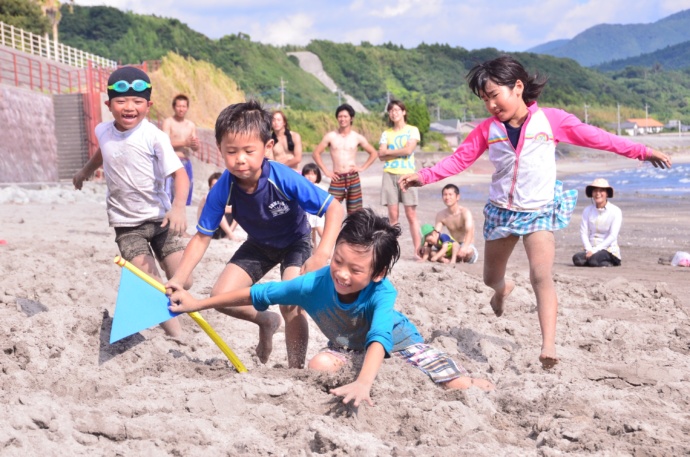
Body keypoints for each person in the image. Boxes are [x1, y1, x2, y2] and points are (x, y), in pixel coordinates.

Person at [398, 56, 672, 369]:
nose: (490, 105)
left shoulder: (552, 121)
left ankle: (548, 346)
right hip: (502, 211)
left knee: (541, 276)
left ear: (517, 87)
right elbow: (458, 160)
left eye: (494, 96)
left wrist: (643, 151)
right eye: (484, 99)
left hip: (540, 210)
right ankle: (503, 291)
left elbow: (599, 138)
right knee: (490, 278)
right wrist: (425, 175)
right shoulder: (487, 129)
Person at [168, 209, 494, 406]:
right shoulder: (317, 282)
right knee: (319, 364)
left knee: (456, 385)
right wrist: (200, 302)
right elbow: (260, 294)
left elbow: (380, 336)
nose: (341, 273)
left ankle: (478, 383)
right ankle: (365, 379)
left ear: (377, 273)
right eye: (338, 261)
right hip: (347, 349)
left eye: (355, 270)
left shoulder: (383, 292)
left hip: (401, 346)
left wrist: (365, 383)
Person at [166, 100, 344, 369]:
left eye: (249, 150)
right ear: (220, 150)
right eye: (231, 151)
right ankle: (266, 320)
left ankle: (295, 369)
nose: (240, 159)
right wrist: (178, 279)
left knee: (290, 299)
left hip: (295, 242)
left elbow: (335, 209)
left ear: (267, 147)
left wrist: (322, 254)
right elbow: (202, 237)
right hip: (259, 245)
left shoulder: (282, 177)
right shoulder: (223, 188)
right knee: (221, 297)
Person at [72, 66, 192, 337]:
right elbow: (103, 153)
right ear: (108, 104)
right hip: (127, 225)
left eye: (137, 102)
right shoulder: (102, 130)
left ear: (148, 105)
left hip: (161, 220)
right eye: (121, 101)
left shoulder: (155, 137)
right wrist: (84, 172)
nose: (129, 107)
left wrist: (179, 207)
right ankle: (177, 335)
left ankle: (171, 308)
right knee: (150, 283)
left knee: (184, 279)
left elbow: (180, 176)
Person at [312, 104, 378, 214]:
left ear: (351, 118)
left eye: (345, 116)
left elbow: (373, 153)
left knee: (355, 212)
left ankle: (354, 232)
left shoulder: (357, 137)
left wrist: (362, 168)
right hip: (337, 177)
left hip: (352, 177)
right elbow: (316, 153)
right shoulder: (331, 136)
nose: (342, 119)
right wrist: (327, 172)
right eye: (340, 116)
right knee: (330, 209)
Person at [378, 100, 422, 259]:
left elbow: (409, 149)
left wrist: (390, 151)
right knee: (393, 217)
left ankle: (418, 251)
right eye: (391, 110)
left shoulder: (412, 130)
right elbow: (380, 155)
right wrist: (400, 151)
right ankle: (391, 252)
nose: (394, 113)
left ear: (403, 112)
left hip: (408, 175)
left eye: (397, 110)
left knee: (411, 215)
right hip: (389, 174)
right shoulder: (386, 133)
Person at [572, 178, 622, 267]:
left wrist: (594, 251)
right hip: (591, 249)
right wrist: (588, 250)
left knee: (593, 260)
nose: (598, 193)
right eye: (595, 190)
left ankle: (609, 262)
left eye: (601, 190)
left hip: (608, 250)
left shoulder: (616, 211)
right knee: (577, 258)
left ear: (607, 193)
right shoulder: (587, 210)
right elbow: (583, 233)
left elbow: (612, 236)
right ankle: (598, 262)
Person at [162, 94, 199, 206]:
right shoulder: (168, 122)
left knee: (186, 192)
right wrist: (184, 143)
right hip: (172, 161)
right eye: (179, 106)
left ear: (187, 108)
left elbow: (195, 148)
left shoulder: (191, 125)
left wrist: (194, 145)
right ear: (174, 107)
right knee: (169, 194)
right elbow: (164, 143)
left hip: (186, 161)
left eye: (184, 106)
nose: (181, 109)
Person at [432, 184, 479, 264]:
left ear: (457, 197)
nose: (447, 197)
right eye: (445, 195)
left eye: (450, 195)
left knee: (468, 252)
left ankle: (450, 259)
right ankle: (447, 259)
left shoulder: (465, 212)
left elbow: (469, 232)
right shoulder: (441, 215)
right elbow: (436, 234)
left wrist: (464, 247)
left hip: (467, 245)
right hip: (453, 245)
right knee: (431, 252)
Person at [198, 172, 240, 241]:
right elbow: (219, 208)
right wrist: (230, 209)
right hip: (208, 229)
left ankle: (229, 234)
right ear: (210, 186)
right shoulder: (207, 197)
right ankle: (230, 234)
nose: (215, 187)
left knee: (239, 209)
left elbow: (237, 209)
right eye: (213, 185)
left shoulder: (227, 197)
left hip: (225, 230)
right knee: (218, 210)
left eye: (217, 185)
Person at [301, 163, 325, 249]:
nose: (310, 176)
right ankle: (314, 251)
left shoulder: (320, 187)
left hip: (317, 213)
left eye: (313, 174)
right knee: (311, 234)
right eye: (307, 174)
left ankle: (328, 249)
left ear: (317, 176)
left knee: (320, 231)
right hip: (308, 213)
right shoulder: (303, 187)